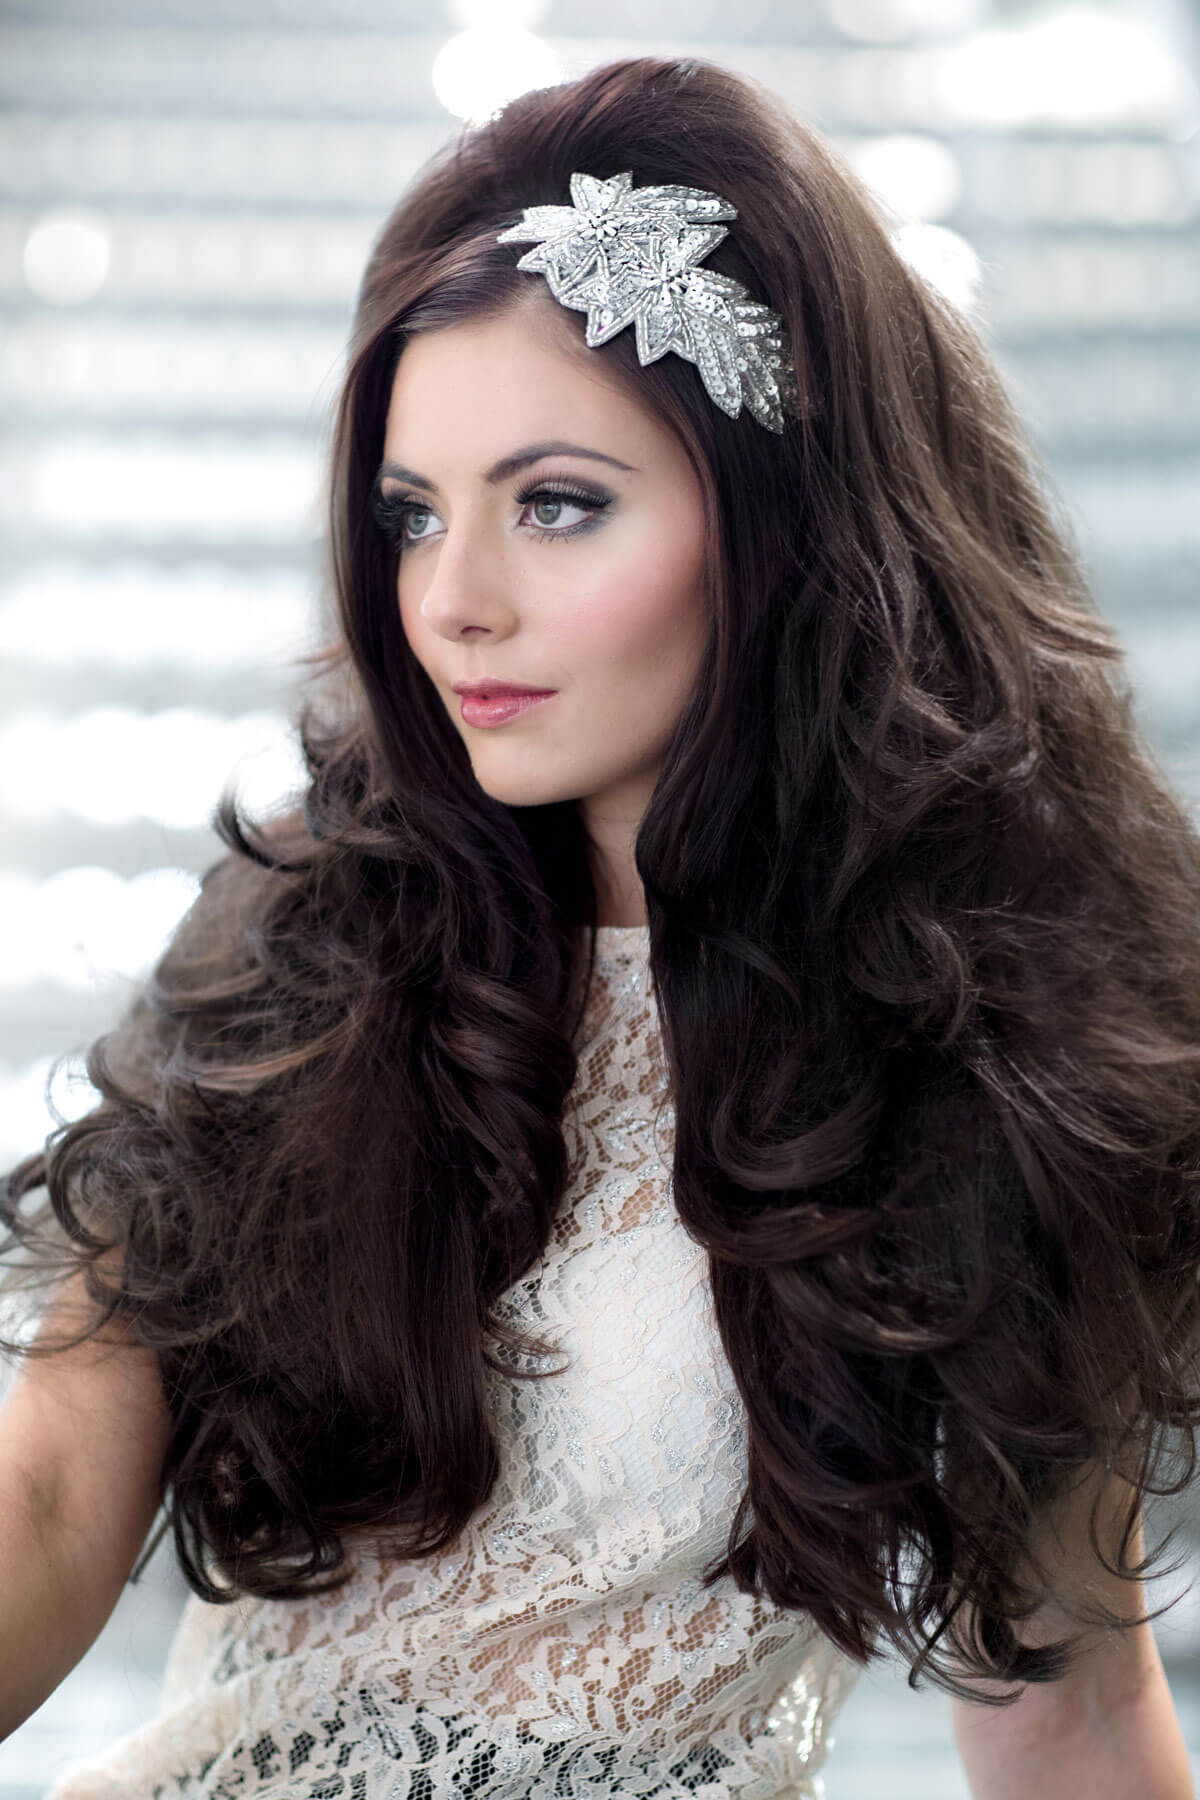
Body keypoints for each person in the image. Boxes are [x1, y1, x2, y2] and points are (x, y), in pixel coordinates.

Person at [1, 51, 1199, 1799]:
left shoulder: (994, 1040)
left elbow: (1070, 1710)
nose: (454, 602)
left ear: (787, 520)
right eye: (413, 516)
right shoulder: (302, 941)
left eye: (557, 504)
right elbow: (43, 1495)